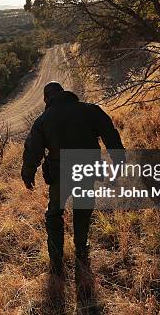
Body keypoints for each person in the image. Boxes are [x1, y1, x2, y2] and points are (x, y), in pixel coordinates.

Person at [21, 81, 125, 277]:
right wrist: (118, 159)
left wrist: (28, 174)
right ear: (65, 93)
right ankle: (81, 248)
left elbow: (33, 150)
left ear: (46, 98)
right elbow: (110, 134)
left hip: (60, 173)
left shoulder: (43, 120)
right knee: (83, 209)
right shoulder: (90, 110)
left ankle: (56, 259)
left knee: (54, 213)